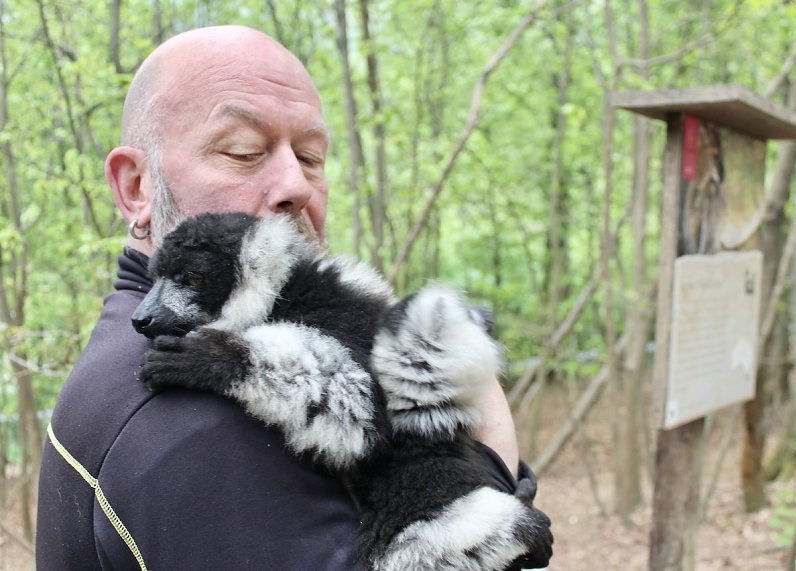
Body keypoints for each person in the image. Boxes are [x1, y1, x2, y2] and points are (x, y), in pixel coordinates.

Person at [36, 25, 542, 570]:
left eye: (311, 157)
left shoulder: (151, 347)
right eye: (243, 151)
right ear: (137, 187)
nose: (295, 185)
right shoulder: (195, 414)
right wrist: (490, 455)